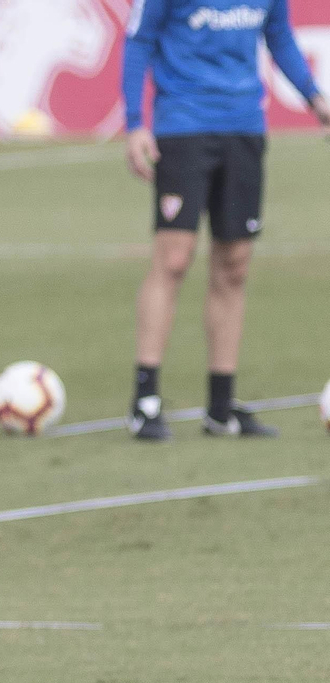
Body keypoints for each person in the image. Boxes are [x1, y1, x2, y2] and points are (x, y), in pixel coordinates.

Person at [122, 0, 329, 440]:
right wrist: (136, 122)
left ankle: (221, 408)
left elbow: (280, 38)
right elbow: (139, 40)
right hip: (183, 125)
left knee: (234, 264)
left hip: (244, 126)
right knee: (173, 259)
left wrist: (314, 97)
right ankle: (145, 401)